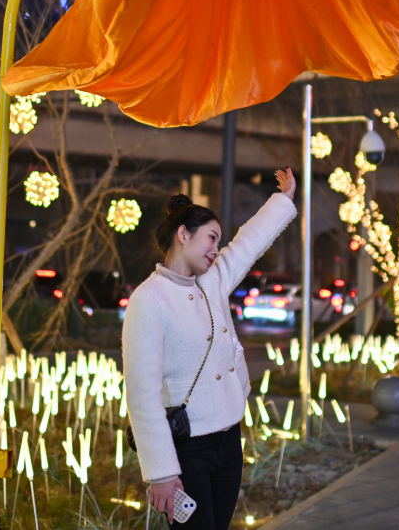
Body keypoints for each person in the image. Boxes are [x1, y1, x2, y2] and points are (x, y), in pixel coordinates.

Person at [124, 168, 297, 528]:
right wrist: (161, 472)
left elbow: (249, 242)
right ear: (183, 234)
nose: (217, 249)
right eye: (211, 238)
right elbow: (141, 393)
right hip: (188, 448)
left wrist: (284, 200)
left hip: (228, 439)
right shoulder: (149, 299)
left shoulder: (213, 280)